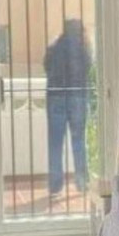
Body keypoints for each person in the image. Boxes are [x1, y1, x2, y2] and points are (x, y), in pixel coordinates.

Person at [44, 19, 92, 196]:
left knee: (55, 143)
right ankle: (82, 183)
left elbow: (47, 67)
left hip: (56, 96)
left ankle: (55, 186)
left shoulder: (54, 46)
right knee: (78, 140)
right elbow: (88, 67)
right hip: (77, 95)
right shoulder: (83, 48)